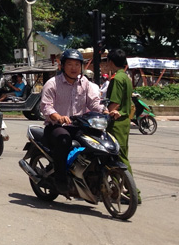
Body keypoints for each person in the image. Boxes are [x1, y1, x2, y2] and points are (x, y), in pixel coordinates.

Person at [37, 49, 104, 191]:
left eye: (77, 65)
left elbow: (93, 103)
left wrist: (106, 111)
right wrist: (58, 116)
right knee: (64, 140)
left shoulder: (84, 83)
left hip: (78, 125)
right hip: (56, 127)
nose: (74, 68)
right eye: (70, 64)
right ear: (62, 66)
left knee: (97, 141)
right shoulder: (52, 83)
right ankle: (60, 178)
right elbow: (46, 107)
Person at [104, 48, 135, 176]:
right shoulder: (126, 77)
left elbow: (115, 103)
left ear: (110, 62)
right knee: (121, 154)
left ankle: (133, 192)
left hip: (117, 122)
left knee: (119, 156)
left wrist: (106, 113)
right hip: (125, 120)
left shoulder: (116, 79)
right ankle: (118, 186)